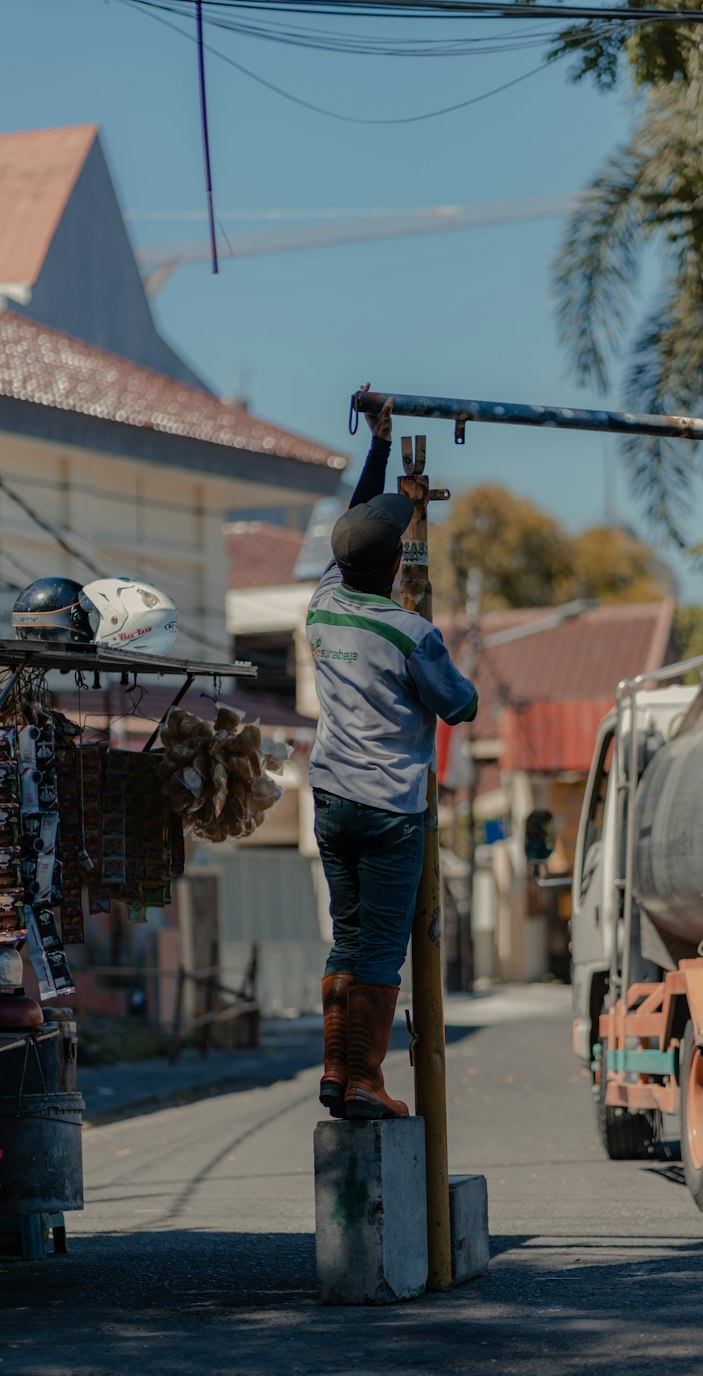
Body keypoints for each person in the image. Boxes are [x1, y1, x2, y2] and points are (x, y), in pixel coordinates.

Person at [308, 385, 477, 1121]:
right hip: (389, 807)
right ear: (393, 571)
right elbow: (460, 705)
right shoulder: (410, 632)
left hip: (330, 797)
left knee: (346, 940)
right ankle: (365, 1078)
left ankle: (336, 1069)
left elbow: (355, 523)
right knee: (379, 947)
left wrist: (377, 447)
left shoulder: (321, 603)